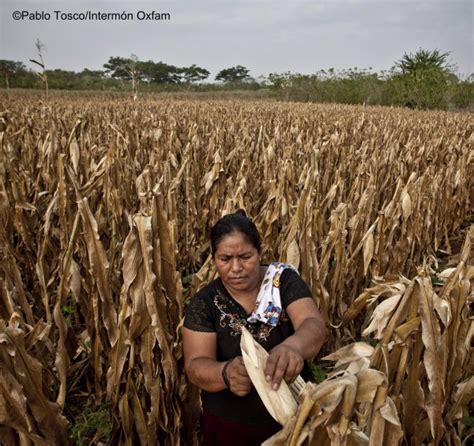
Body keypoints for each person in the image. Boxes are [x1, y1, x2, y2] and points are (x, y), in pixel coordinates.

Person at [183, 210, 327, 445]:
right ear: (214, 259)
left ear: (259, 252)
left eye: (245, 256)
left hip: (295, 419)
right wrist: (226, 373)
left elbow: (313, 324)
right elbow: (195, 364)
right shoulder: (204, 303)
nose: (236, 267)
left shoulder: (283, 282)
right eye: (225, 259)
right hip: (231, 427)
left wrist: (293, 347)